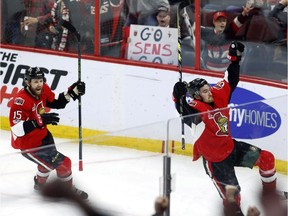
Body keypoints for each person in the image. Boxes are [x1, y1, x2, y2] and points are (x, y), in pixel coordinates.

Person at [172, 42, 278, 213]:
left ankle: (269, 196)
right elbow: (184, 113)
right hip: (216, 162)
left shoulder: (217, 95)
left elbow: (231, 79)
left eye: (209, 89)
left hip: (231, 148)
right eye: (205, 91)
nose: (210, 92)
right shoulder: (197, 110)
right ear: (197, 96)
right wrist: (178, 97)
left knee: (267, 158)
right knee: (233, 198)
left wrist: (235, 59)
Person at [9, 67, 88, 199]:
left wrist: (72, 92)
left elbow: (57, 102)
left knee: (47, 164)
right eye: (35, 81)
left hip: (44, 136)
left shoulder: (44, 89)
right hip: (29, 146)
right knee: (64, 163)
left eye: (41, 80)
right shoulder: (20, 101)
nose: (39, 84)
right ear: (27, 82)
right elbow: (17, 129)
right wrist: (39, 120)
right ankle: (68, 192)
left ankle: (39, 185)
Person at [192, 4, 253, 71]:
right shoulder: (207, 32)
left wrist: (244, 13)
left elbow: (237, 22)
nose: (222, 23)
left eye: (224, 21)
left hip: (225, 72)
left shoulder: (229, 33)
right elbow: (193, 28)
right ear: (214, 22)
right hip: (208, 72)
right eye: (219, 21)